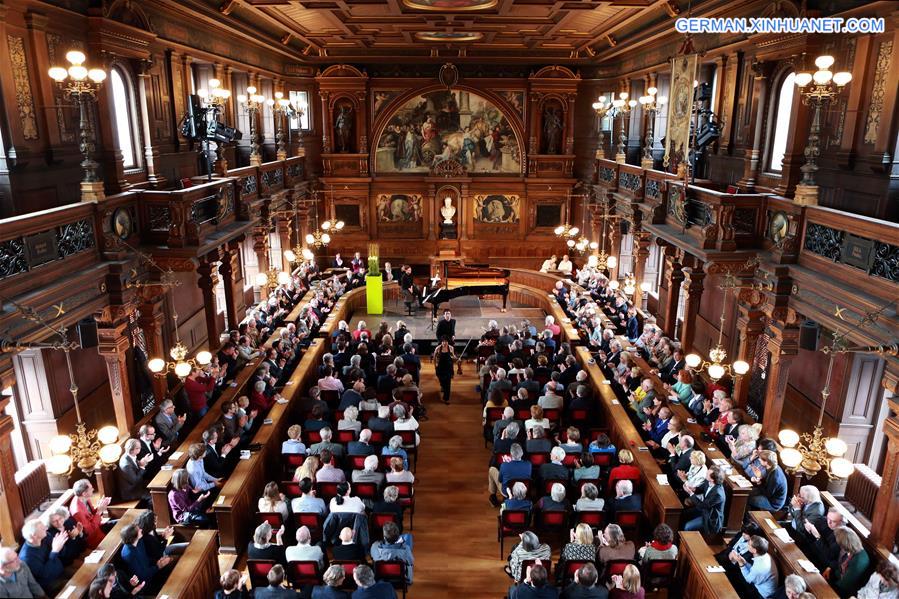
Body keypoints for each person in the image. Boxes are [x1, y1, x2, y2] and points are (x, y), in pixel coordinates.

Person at [119, 523, 172, 594]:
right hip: (145, 583)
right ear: (134, 537)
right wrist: (158, 566)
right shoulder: (129, 554)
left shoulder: (139, 541)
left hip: (152, 569)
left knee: (172, 565)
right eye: (138, 530)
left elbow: (146, 558)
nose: (141, 530)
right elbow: (143, 574)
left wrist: (158, 561)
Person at [18, 520, 65, 595]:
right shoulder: (27, 558)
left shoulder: (46, 536)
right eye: (42, 528)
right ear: (34, 535)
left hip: (61, 572)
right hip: (51, 584)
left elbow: (63, 553)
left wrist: (60, 544)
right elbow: (44, 574)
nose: (46, 529)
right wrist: (54, 551)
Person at [683, 466, 726, 534]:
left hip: (710, 518)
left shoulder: (718, 494)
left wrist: (690, 493)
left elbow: (702, 506)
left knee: (687, 527)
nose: (706, 473)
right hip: (704, 510)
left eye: (707, 473)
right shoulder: (708, 481)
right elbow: (700, 489)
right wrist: (692, 489)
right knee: (683, 513)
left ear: (712, 479)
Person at [830, 526, 870, 597]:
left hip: (849, 591)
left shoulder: (859, 560)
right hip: (840, 578)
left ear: (845, 545)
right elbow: (840, 567)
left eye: (840, 544)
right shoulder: (849, 548)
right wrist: (831, 571)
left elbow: (845, 585)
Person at [433, 336, 455, 404]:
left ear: (448, 342)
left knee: (448, 383)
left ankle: (446, 398)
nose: (444, 343)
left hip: (448, 367)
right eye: (443, 341)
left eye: (446, 341)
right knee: (442, 381)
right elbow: (434, 358)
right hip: (440, 367)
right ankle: (442, 386)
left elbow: (453, 357)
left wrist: (456, 359)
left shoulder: (451, 348)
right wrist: (435, 367)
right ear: (441, 342)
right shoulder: (438, 348)